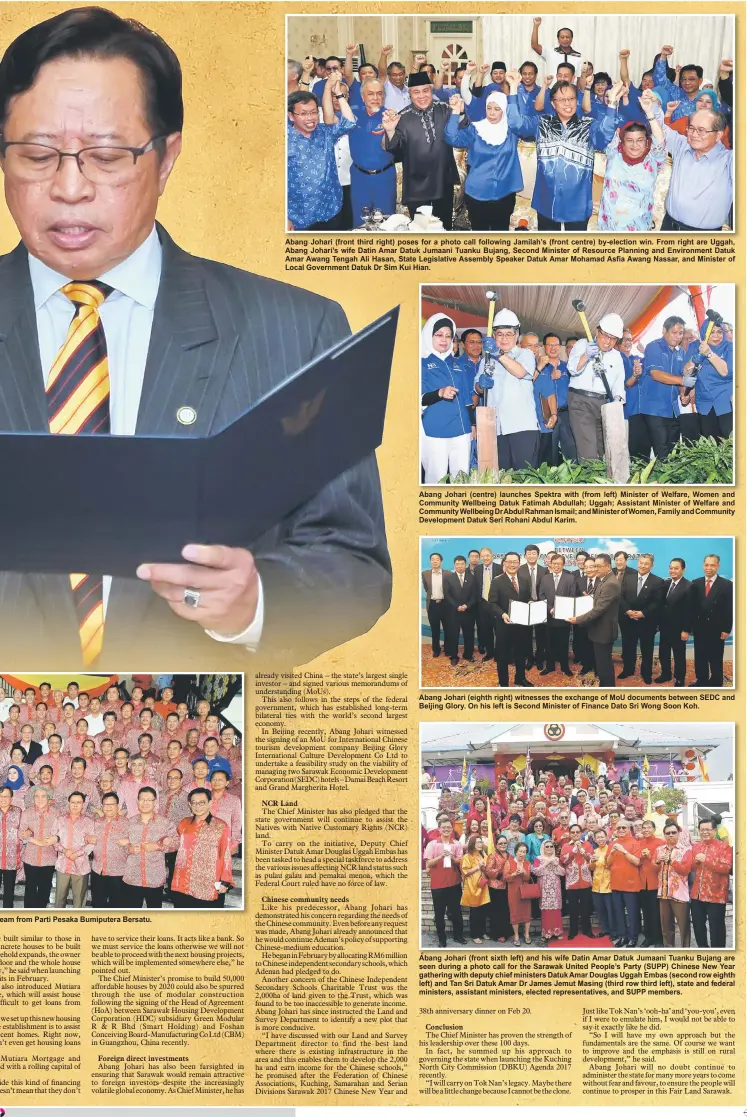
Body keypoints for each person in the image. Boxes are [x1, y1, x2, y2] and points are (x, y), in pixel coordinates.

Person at [0, 6, 391, 668]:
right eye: (36, 155)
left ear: (167, 155)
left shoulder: (296, 331)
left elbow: (353, 562)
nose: (68, 188)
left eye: (105, 155)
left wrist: (255, 603)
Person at [506, 69, 620, 230]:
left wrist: (613, 102)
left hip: (578, 205)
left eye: (571, 99)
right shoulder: (542, 123)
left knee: (575, 253)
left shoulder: (588, 125)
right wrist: (512, 87)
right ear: (553, 103)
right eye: (562, 99)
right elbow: (516, 123)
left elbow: (605, 135)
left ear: (577, 101)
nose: (567, 103)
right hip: (547, 202)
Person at [382, 72, 459, 229]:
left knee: (443, 230)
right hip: (416, 186)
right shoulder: (402, 117)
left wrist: (459, 110)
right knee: (421, 231)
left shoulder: (445, 110)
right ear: (410, 94)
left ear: (431, 91)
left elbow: (463, 129)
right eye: (416, 92)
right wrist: (390, 131)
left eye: (426, 90)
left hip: (442, 181)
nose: (422, 96)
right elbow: (396, 152)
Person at [444, 92, 522, 230]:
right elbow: (451, 137)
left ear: (504, 110)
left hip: (505, 194)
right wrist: (455, 112)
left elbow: (520, 120)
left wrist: (514, 88)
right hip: (477, 194)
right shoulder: (476, 129)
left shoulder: (512, 130)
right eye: (489, 108)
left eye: (497, 109)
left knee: (501, 238)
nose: (492, 113)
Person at [478, 309, 538, 470]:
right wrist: (480, 385)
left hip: (522, 426)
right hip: (496, 427)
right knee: (502, 476)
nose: (504, 338)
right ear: (494, 335)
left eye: (509, 334)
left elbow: (521, 372)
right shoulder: (485, 360)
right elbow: (477, 389)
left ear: (517, 335)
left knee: (525, 476)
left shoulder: (525, 354)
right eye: (499, 334)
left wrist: (498, 353)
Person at [420, 314, 473, 483]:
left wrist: (472, 424)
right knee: (436, 480)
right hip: (435, 432)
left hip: (462, 430)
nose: (444, 340)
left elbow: (466, 399)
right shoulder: (421, 363)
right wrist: (439, 393)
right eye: (439, 335)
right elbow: (418, 398)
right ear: (429, 335)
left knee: (462, 479)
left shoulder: (458, 364)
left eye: (448, 336)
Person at [566, 315, 627, 461]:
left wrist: (617, 400)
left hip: (604, 404)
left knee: (603, 449)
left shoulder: (617, 356)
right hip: (581, 401)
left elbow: (619, 384)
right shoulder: (582, 344)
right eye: (606, 336)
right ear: (597, 331)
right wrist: (586, 355)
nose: (608, 342)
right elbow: (572, 369)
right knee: (588, 450)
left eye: (613, 339)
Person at [598, 117, 667, 231]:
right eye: (629, 140)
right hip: (609, 230)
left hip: (639, 231)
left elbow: (660, 141)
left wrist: (650, 114)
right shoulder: (614, 154)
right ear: (623, 143)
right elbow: (606, 130)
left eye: (640, 140)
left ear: (647, 142)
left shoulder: (653, 160)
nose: (634, 145)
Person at [170, 788, 234, 907]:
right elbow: (175, 843)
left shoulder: (221, 826)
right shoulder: (184, 823)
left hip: (208, 884)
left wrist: (225, 881)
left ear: (210, 803)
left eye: (202, 802)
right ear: (189, 804)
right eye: (194, 802)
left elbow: (225, 854)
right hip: (183, 882)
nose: (197, 806)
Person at [347, 79, 396, 226]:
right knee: (360, 221)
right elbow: (330, 118)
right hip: (359, 178)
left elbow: (397, 147)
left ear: (384, 96)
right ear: (363, 97)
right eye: (371, 94)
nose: (375, 98)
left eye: (379, 93)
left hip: (384, 178)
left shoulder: (391, 117)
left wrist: (390, 129)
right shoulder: (353, 115)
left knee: (385, 223)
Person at [567, 554, 621, 687]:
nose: (595, 569)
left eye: (598, 566)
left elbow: (598, 610)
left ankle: (608, 691)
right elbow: (598, 603)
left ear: (608, 566)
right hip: (599, 629)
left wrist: (577, 619)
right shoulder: (604, 580)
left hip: (604, 631)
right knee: (602, 663)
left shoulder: (611, 584)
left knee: (604, 665)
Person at [640, 316, 688, 460]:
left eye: (680, 333)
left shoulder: (681, 353)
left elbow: (681, 378)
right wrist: (683, 380)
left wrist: (683, 393)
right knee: (662, 451)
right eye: (674, 332)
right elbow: (656, 374)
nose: (678, 336)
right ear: (664, 330)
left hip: (673, 409)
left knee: (675, 451)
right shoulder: (654, 346)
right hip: (655, 408)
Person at [121, 786, 178, 907]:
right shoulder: (129, 822)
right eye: (142, 799)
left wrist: (158, 846)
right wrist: (129, 849)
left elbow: (177, 842)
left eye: (149, 800)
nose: (145, 803)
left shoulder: (165, 823)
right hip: (133, 876)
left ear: (155, 802)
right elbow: (122, 844)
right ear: (137, 801)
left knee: (154, 914)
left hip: (154, 877)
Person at [683, 554, 733, 688]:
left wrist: (726, 629)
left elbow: (729, 608)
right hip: (699, 628)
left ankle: (716, 682)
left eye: (712, 565)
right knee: (700, 656)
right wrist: (690, 627)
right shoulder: (696, 582)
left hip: (717, 628)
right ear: (702, 565)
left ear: (718, 566)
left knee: (716, 657)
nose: (708, 568)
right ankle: (702, 680)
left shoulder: (727, 584)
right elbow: (691, 607)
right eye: (706, 565)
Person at [683, 319, 733, 440]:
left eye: (720, 332)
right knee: (710, 444)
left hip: (725, 401)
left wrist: (709, 353)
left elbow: (725, 372)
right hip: (704, 403)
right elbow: (687, 372)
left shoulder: (729, 347)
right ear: (704, 333)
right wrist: (696, 358)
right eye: (712, 332)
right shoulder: (695, 346)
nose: (716, 336)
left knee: (729, 441)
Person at [618, 553, 664, 684]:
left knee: (647, 650)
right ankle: (628, 669)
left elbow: (657, 602)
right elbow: (621, 597)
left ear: (652, 565)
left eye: (646, 563)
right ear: (638, 563)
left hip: (646, 622)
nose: (643, 566)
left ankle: (646, 673)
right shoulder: (628, 578)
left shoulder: (658, 581)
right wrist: (628, 611)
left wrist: (643, 613)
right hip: (629, 620)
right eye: (641, 563)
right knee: (627, 648)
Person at [489, 552, 532, 687]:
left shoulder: (525, 580)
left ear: (519, 564)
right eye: (510, 562)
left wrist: (530, 602)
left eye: (516, 562)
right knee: (502, 656)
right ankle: (504, 684)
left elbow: (527, 597)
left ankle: (520, 678)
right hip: (504, 625)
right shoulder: (497, 581)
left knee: (520, 654)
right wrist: (502, 614)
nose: (513, 564)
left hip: (521, 625)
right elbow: (492, 603)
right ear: (505, 564)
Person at [424, 818, 466, 947]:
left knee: (456, 911)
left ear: (452, 829)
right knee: (439, 912)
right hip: (438, 884)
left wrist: (453, 858)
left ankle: (458, 935)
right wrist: (440, 856)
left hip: (454, 882)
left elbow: (460, 861)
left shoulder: (457, 843)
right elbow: (428, 863)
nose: (446, 829)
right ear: (439, 829)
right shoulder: (432, 844)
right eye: (444, 827)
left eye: (448, 827)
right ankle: (442, 939)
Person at [690, 818, 732, 948]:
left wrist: (706, 859)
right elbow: (691, 868)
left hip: (716, 894)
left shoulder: (724, 847)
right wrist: (695, 862)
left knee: (717, 927)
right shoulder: (696, 846)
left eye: (708, 829)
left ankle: (718, 955)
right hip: (697, 894)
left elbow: (727, 868)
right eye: (702, 830)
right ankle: (703, 951)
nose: (705, 832)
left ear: (715, 830)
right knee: (698, 925)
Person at [88, 790, 129, 906]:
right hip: (98, 871)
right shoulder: (96, 823)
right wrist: (88, 838)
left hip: (118, 872)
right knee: (97, 904)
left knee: (116, 906)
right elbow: (86, 837)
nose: (109, 807)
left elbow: (135, 841)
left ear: (117, 806)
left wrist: (129, 841)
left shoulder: (127, 823)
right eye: (106, 804)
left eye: (112, 804)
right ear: (102, 806)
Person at [52, 789, 92, 908]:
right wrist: (64, 851)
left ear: (83, 804)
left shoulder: (89, 822)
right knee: (59, 899)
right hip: (63, 865)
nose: (75, 805)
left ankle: (77, 925)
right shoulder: (60, 820)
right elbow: (54, 839)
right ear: (68, 803)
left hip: (81, 866)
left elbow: (91, 843)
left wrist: (77, 854)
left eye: (78, 802)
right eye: (73, 802)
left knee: (79, 900)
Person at [656, 822, 692, 947]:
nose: (671, 835)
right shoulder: (659, 850)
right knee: (666, 925)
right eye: (668, 833)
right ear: (664, 835)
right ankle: (668, 949)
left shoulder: (686, 850)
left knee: (684, 925)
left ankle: (685, 950)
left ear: (678, 834)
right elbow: (653, 868)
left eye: (673, 832)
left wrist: (671, 861)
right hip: (663, 893)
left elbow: (686, 870)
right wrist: (656, 861)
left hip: (679, 893)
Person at [656, 558, 692, 685]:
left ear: (683, 569)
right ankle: (666, 674)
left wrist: (686, 630)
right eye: (671, 568)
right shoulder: (665, 584)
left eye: (676, 568)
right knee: (663, 653)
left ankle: (680, 678)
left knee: (679, 656)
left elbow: (689, 611)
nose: (672, 571)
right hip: (664, 627)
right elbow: (661, 605)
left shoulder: (688, 586)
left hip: (679, 629)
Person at [539, 554, 576, 676]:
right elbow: (541, 595)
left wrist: (560, 608)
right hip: (549, 617)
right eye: (554, 563)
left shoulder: (570, 578)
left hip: (563, 618)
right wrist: (550, 609)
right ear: (550, 564)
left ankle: (565, 667)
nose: (556, 566)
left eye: (559, 564)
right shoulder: (545, 578)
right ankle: (549, 667)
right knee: (549, 644)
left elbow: (572, 596)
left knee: (563, 643)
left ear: (563, 565)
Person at [608, 819, 642, 947]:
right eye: (619, 828)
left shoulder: (634, 843)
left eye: (624, 828)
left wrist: (624, 851)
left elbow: (637, 862)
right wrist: (611, 852)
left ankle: (633, 937)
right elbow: (608, 863)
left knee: (632, 913)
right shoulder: (613, 844)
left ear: (629, 829)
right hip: (616, 883)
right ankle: (622, 936)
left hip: (631, 884)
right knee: (619, 912)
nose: (621, 830)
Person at [560, 824, 593, 938]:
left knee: (586, 909)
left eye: (577, 832)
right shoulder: (565, 846)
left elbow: (592, 859)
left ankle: (587, 930)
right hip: (571, 883)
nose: (575, 834)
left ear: (580, 833)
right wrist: (574, 850)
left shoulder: (587, 844)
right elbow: (564, 860)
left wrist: (583, 851)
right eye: (573, 832)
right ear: (569, 834)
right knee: (573, 909)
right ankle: (573, 931)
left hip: (585, 881)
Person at [444, 555, 478, 666]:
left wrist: (467, 606)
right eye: (457, 564)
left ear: (465, 564)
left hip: (469, 612)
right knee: (453, 634)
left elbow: (475, 595)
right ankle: (454, 656)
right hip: (454, 612)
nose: (459, 566)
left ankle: (468, 654)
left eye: (462, 564)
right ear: (454, 565)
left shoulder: (472, 577)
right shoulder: (449, 578)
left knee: (469, 634)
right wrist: (456, 606)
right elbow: (447, 595)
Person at [638, 819, 664, 946]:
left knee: (656, 912)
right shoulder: (640, 843)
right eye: (644, 828)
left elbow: (661, 862)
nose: (646, 830)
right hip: (642, 882)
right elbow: (637, 861)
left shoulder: (661, 843)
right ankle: (648, 937)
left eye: (649, 827)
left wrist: (649, 856)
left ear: (654, 830)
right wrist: (642, 857)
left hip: (656, 882)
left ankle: (658, 938)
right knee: (646, 912)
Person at [459, 834, 490, 943]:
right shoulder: (466, 857)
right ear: (472, 844)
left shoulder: (483, 855)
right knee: (475, 913)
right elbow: (465, 872)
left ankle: (482, 932)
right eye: (477, 842)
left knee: (483, 911)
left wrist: (485, 868)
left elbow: (487, 869)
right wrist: (478, 867)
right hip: (472, 887)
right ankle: (475, 934)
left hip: (483, 886)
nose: (480, 844)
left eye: (481, 842)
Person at [533, 839, 565, 942]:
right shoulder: (538, 858)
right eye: (547, 846)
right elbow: (535, 871)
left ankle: (557, 932)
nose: (549, 848)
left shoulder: (556, 859)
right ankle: (546, 932)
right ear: (543, 848)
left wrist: (556, 865)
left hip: (555, 887)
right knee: (546, 910)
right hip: (544, 887)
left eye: (551, 846)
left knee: (556, 909)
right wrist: (546, 863)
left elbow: (563, 873)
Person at [503, 841, 532, 946]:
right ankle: (516, 935)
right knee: (514, 913)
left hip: (525, 892)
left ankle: (527, 934)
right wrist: (514, 874)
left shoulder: (528, 863)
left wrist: (524, 872)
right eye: (520, 851)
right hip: (513, 891)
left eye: (524, 852)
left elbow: (528, 878)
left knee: (527, 913)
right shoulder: (509, 862)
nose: (522, 854)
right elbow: (505, 878)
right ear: (516, 852)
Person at [484, 833, 512, 941]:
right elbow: (488, 870)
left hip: (507, 886)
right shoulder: (493, 855)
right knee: (497, 912)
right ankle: (498, 934)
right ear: (496, 845)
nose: (503, 845)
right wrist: (500, 874)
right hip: (496, 887)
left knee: (505, 911)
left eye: (505, 843)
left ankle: (506, 932)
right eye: (501, 843)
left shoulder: (510, 855)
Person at [475, 547, 501, 661]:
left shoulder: (499, 568)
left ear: (492, 556)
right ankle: (490, 652)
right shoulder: (477, 569)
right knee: (487, 630)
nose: (485, 558)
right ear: (480, 558)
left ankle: (500, 653)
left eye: (487, 555)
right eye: (483, 556)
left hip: (497, 604)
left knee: (499, 630)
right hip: (483, 604)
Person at [589, 828, 613, 939]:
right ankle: (604, 929)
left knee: (611, 910)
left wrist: (600, 860)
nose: (600, 839)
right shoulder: (594, 851)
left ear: (606, 837)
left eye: (602, 837)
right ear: (594, 839)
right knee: (600, 910)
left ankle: (614, 931)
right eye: (598, 837)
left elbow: (611, 865)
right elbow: (591, 868)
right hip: (596, 885)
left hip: (609, 885)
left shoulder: (611, 850)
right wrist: (593, 861)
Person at [0, 785, 22, 906]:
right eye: (1, 796)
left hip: (11, 858)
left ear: (11, 798)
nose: (3, 799)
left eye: (6, 796)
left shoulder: (18, 812)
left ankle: (7, 917)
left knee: (9, 891)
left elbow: (24, 829)